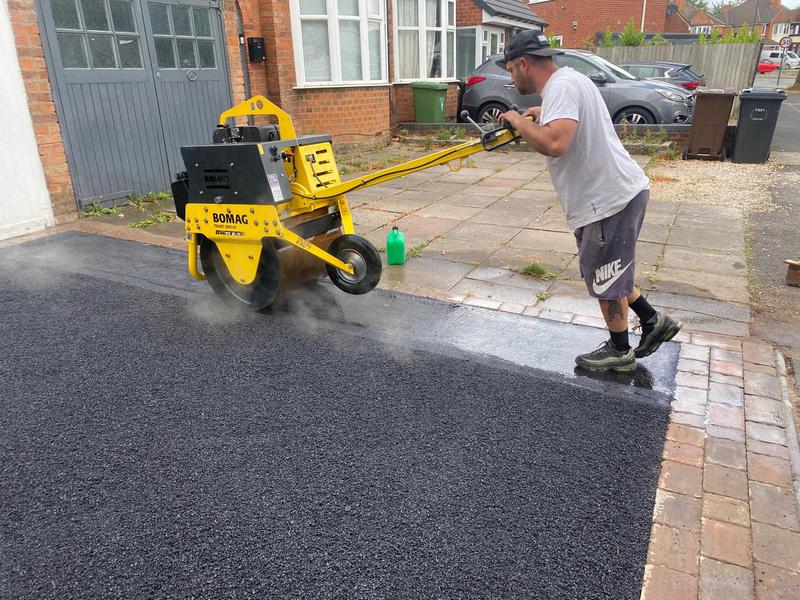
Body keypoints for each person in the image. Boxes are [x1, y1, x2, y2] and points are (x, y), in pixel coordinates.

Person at [496, 31, 682, 373]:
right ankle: (653, 321)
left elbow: (555, 143)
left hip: (607, 199)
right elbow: (568, 121)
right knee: (609, 269)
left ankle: (620, 351)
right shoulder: (570, 80)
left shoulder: (561, 87)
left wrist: (519, 121)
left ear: (524, 64)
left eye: (510, 70)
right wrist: (541, 112)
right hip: (615, 193)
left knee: (605, 274)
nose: (511, 78)